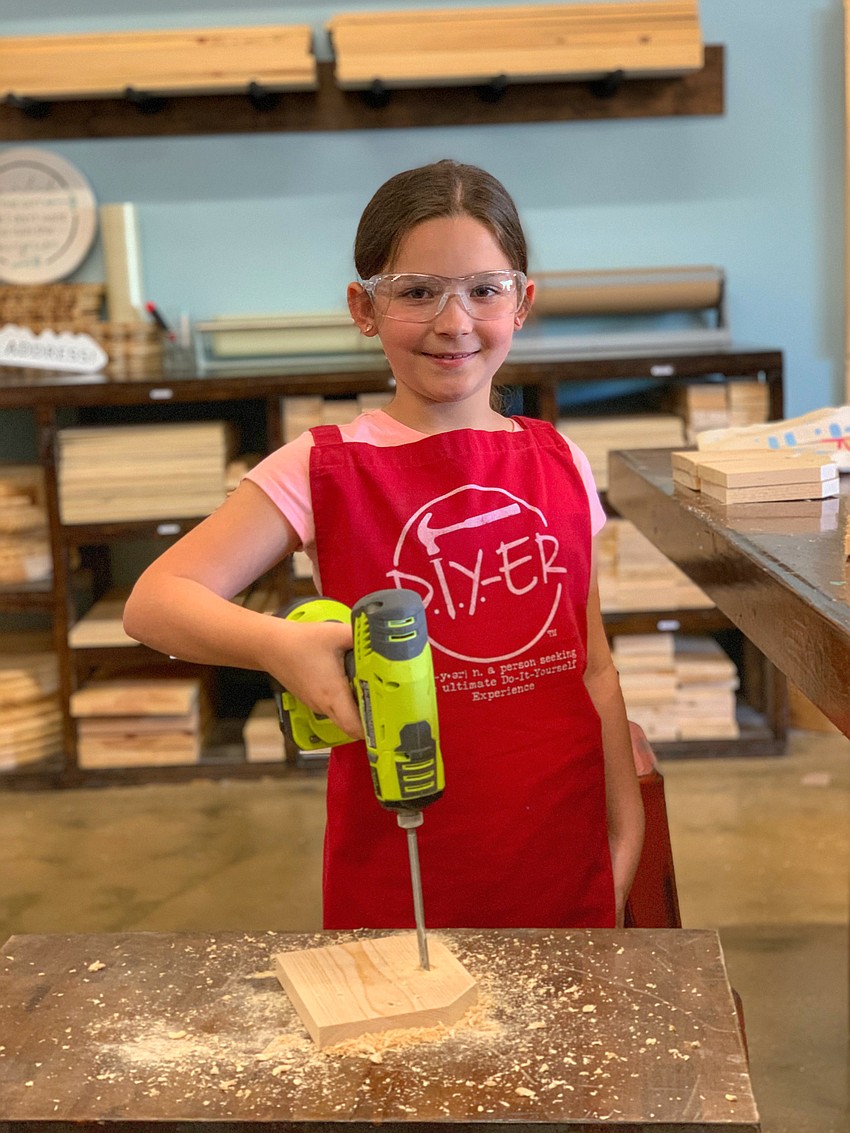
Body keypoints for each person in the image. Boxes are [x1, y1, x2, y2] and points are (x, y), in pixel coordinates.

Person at [123, 159, 644, 931]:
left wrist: (624, 827)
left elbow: (591, 664)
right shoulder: (322, 466)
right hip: (404, 857)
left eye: (483, 290)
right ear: (364, 309)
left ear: (523, 301)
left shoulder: (559, 458)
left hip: (559, 837)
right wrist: (275, 644)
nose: (454, 321)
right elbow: (154, 602)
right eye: (417, 291)